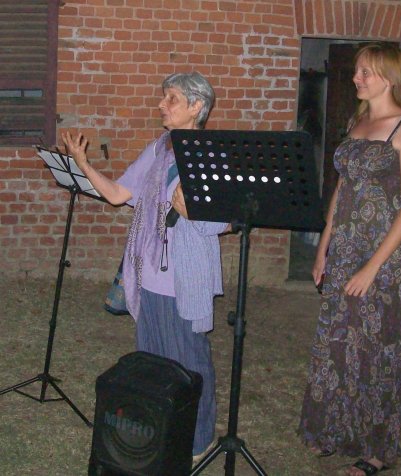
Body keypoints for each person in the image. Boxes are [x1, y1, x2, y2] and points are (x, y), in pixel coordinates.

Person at [62, 72, 229, 463]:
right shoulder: (159, 148)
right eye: (163, 97)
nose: (161, 105)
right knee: (153, 362)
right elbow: (120, 194)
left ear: (196, 107)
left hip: (183, 278)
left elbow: (222, 220)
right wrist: (83, 164)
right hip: (148, 272)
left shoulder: (209, 153)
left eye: (171, 99)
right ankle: (163, 434)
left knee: (189, 363)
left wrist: (196, 210)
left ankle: (200, 440)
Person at [298, 43, 401, 475]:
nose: (357, 78)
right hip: (346, 248)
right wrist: (323, 247)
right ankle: (332, 429)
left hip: (384, 256)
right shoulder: (359, 122)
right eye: (356, 71)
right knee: (338, 339)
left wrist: (372, 267)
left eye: (365, 72)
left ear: (388, 77)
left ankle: (376, 450)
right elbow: (342, 190)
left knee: (376, 347)